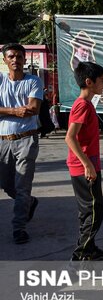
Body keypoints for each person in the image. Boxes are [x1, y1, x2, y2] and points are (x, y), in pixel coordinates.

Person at [64, 62, 103, 261]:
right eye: (101, 81)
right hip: (84, 167)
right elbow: (70, 137)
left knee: (89, 210)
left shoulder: (87, 104)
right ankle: (81, 252)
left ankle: (90, 248)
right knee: (94, 212)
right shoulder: (82, 105)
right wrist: (87, 164)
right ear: (88, 82)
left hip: (88, 165)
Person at [0, 43, 43, 244]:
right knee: (7, 184)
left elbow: (33, 108)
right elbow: (23, 110)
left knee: (22, 185)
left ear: (25, 60)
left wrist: (4, 110)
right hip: (3, 141)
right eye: (11, 57)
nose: (15, 60)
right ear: (5, 60)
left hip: (27, 139)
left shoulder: (34, 81)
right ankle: (30, 203)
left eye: (19, 57)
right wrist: (16, 111)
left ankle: (19, 228)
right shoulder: (0, 81)